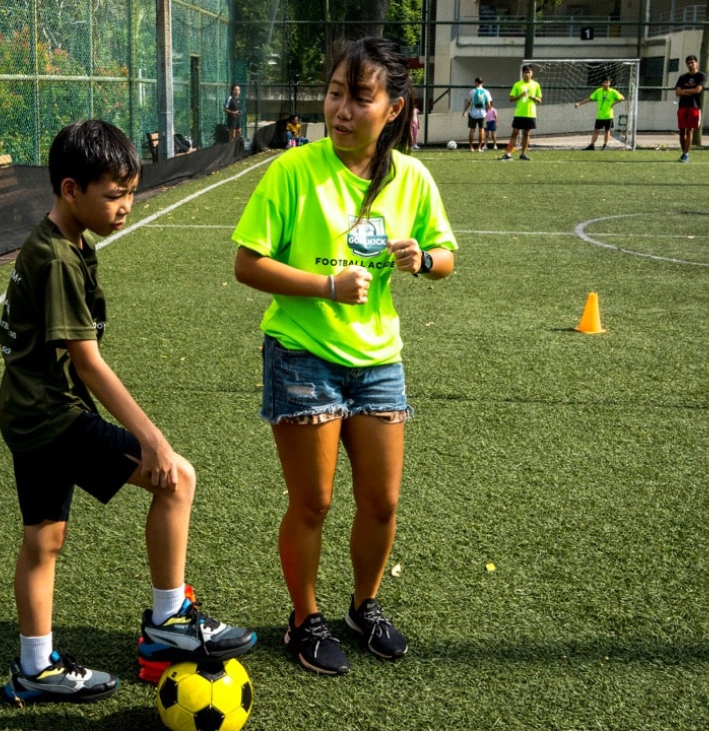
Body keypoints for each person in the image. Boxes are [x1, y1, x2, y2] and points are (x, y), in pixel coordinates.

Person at [0, 119, 257, 704]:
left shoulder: (62, 241)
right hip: (51, 416)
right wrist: (153, 439)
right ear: (70, 190)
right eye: (114, 195)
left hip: (25, 412)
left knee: (44, 537)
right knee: (176, 478)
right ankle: (169, 623)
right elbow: (87, 362)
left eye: (130, 192)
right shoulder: (59, 259)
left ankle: (33, 669)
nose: (126, 207)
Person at [232, 37, 458, 676]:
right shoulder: (292, 171)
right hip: (303, 355)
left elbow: (446, 257)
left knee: (382, 502)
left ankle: (365, 604)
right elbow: (248, 264)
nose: (342, 109)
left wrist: (424, 261)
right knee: (315, 502)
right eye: (336, 93)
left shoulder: (411, 178)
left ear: (393, 109)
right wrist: (325, 285)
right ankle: (304, 619)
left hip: (379, 362)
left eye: (361, 98)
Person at [500, 65, 541, 161]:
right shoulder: (517, 85)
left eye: (529, 72)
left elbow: (539, 100)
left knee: (526, 133)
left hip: (530, 113)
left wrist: (532, 97)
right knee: (514, 133)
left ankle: (523, 154)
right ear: (523, 73)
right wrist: (520, 95)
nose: (527, 74)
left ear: (532, 73)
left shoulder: (536, 85)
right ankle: (508, 154)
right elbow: (511, 98)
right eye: (526, 72)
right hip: (519, 113)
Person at [574, 77, 625, 150]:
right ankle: (592, 145)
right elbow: (590, 99)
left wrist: (614, 103)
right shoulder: (598, 91)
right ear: (602, 83)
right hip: (600, 116)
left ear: (609, 83)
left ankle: (605, 145)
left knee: (607, 131)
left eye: (607, 82)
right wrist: (579, 103)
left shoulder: (613, 92)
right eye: (604, 82)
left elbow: (622, 98)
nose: (606, 84)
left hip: (608, 116)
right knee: (596, 130)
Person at [674, 54, 705, 162]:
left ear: (696, 63)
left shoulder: (701, 76)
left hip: (694, 106)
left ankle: (686, 154)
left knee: (690, 131)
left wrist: (684, 91)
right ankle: (684, 152)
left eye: (692, 62)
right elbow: (677, 92)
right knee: (682, 132)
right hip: (682, 106)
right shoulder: (682, 77)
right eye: (688, 63)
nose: (691, 65)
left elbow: (697, 90)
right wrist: (688, 92)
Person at [461, 77, 492, 152]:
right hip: (482, 114)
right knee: (481, 130)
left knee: (472, 130)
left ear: (476, 83)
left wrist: (464, 110)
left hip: (473, 114)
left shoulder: (472, 91)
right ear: (482, 83)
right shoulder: (486, 92)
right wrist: (488, 112)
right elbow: (488, 105)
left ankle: (471, 147)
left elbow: (469, 102)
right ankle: (479, 148)